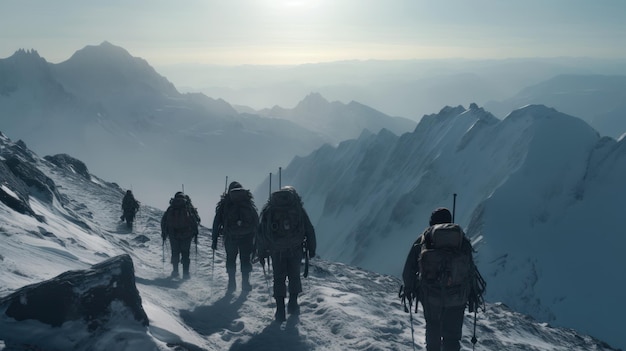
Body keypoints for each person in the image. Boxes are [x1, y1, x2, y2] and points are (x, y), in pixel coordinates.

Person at [402, 207, 482, 351]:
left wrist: (411, 289)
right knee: (452, 337)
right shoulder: (461, 241)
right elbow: (470, 270)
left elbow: (409, 270)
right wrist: (472, 294)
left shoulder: (424, 240)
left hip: (431, 296)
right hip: (458, 297)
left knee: (433, 330)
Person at [257, 186, 316, 322]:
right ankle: (293, 304)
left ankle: (280, 310)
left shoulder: (270, 209)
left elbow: (261, 232)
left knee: (279, 278)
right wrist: (311, 249)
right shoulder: (298, 209)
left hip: (276, 251)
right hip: (295, 249)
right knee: (294, 276)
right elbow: (309, 229)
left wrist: (261, 253)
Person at [212, 181, 259, 292]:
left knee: (231, 259)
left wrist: (214, 239)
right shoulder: (247, 203)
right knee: (245, 259)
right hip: (247, 237)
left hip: (230, 237)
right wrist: (257, 239)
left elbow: (217, 222)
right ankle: (245, 283)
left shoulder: (225, 204)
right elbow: (256, 221)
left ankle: (231, 283)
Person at [161, 192, 200, 279]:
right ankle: (186, 273)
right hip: (186, 234)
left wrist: (164, 233)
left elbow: (164, 221)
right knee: (185, 253)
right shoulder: (188, 207)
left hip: (173, 235)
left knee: (175, 253)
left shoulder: (171, 208)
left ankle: (175, 272)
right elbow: (196, 219)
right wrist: (195, 233)